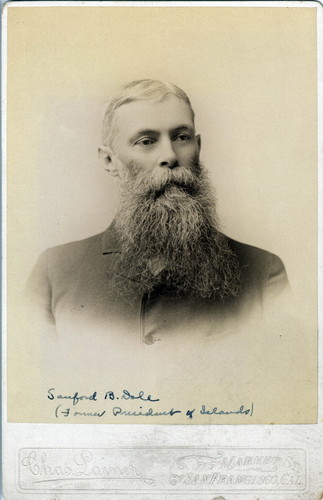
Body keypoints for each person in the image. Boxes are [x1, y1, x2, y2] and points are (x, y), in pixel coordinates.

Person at [27, 79, 289, 345]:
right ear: (109, 161)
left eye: (182, 137)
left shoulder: (264, 273)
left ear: (197, 147)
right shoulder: (54, 273)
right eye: (146, 141)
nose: (170, 155)